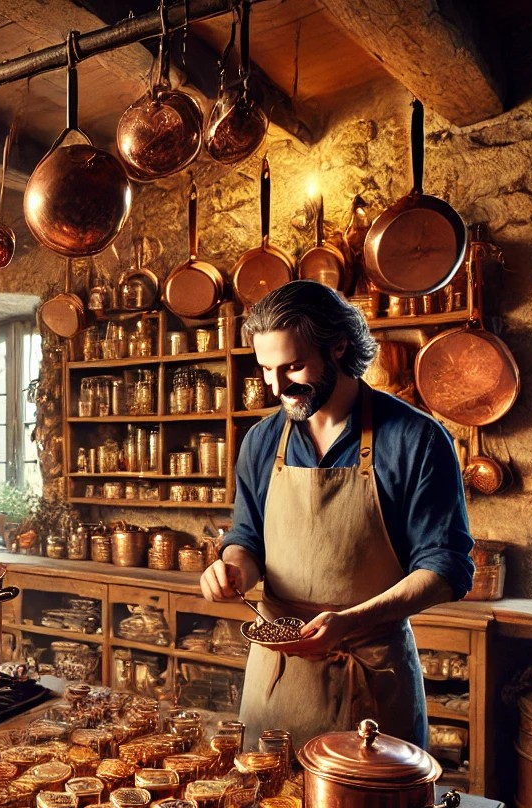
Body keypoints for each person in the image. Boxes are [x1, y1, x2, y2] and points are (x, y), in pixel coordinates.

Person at [200, 281, 475, 752]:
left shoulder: (417, 440)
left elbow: (446, 569)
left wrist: (349, 621)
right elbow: (248, 537)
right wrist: (233, 570)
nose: (278, 386)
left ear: (339, 347)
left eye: (293, 366)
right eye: (266, 369)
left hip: (370, 676)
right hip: (278, 679)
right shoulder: (262, 442)